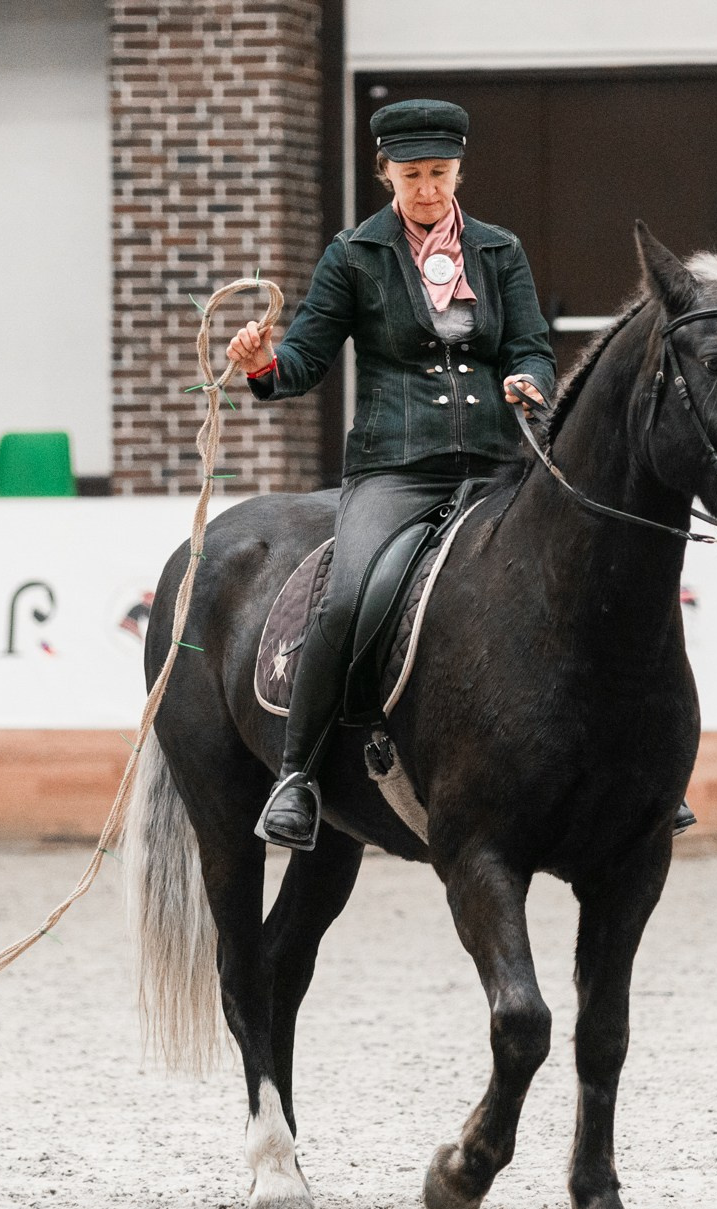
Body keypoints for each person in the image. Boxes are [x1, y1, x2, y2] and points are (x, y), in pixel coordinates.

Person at [223, 98, 559, 850]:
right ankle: (297, 776)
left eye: (440, 173)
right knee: (347, 600)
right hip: (396, 471)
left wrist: (530, 380)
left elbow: (533, 346)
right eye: (413, 176)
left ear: (459, 170)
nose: (429, 190)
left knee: (584, 569)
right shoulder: (355, 255)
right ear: (387, 175)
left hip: (499, 465)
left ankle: (628, 767)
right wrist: (262, 364)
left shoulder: (499, 251)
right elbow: (304, 358)